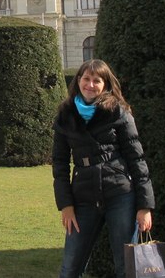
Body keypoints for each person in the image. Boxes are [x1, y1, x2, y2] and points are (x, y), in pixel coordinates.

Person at [53, 59, 155, 278]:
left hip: (119, 195)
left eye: (96, 80)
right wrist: (66, 205)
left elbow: (137, 160)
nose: (90, 84)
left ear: (105, 84)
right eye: (86, 79)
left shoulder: (118, 112)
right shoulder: (65, 115)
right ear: (78, 81)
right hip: (83, 198)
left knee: (126, 267)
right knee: (70, 268)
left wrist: (144, 206)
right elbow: (59, 164)